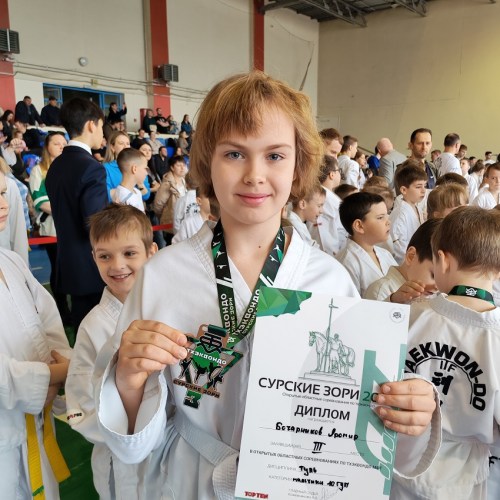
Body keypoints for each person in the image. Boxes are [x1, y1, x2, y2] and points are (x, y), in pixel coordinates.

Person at [94, 71, 439, 500]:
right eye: (234, 154)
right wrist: (128, 379)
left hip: (298, 481)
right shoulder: (162, 275)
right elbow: (134, 442)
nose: (254, 175)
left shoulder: (330, 280)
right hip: (191, 479)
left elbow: (359, 422)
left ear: (298, 166)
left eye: (275, 155)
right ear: (207, 162)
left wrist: (407, 411)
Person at [398, 206, 500, 499]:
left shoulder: (410, 315)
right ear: (497, 270)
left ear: (442, 260)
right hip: (470, 480)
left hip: (401, 458)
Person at [65, 204, 159, 499]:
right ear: (93, 257)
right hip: (121, 463)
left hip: (169, 453)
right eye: (105, 256)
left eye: (129, 253)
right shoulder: (92, 326)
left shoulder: (169, 310)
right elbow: (80, 404)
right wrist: (130, 433)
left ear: (151, 252)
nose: (117, 265)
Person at [0, 168, 72, 500]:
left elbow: (49, 323)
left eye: (3, 193)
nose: (3, 204)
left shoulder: (12, 262)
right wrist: (53, 375)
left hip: (36, 418)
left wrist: (58, 371)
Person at [45, 97, 108, 330]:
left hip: (68, 262)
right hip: (91, 265)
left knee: (83, 330)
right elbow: (95, 223)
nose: (102, 133)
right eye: (101, 126)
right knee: (98, 333)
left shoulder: (56, 166)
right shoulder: (91, 167)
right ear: (92, 124)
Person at [29, 132, 71, 323]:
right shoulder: (38, 170)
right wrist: (66, 211)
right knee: (58, 269)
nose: (61, 146)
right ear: (47, 147)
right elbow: (39, 199)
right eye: (57, 143)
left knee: (70, 267)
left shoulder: (69, 168)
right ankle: (62, 311)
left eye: (64, 143)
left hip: (70, 227)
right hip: (52, 228)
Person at [364, 218, 440, 302]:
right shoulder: (380, 292)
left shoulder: (431, 293)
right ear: (411, 256)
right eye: (434, 275)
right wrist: (393, 301)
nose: (438, 287)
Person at [336, 192, 397, 296]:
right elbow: (351, 302)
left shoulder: (385, 254)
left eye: (387, 215)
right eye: (380, 217)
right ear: (359, 226)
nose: (388, 222)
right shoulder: (346, 263)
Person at [390, 164, 427, 264]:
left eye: (425, 186)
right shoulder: (400, 213)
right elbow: (397, 246)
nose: (423, 190)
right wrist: (415, 260)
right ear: (404, 190)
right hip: (407, 262)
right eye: (418, 187)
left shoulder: (417, 208)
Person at [308, 155, 346, 255]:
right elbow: (323, 238)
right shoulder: (326, 199)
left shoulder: (327, 196)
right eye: (339, 171)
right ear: (332, 174)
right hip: (323, 254)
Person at [153, 154, 187, 244]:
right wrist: (165, 216)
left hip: (184, 223)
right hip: (171, 223)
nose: (182, 168)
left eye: (183, 165)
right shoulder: (167, 184)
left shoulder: (185, 180)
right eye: (179, 165)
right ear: (172, 168)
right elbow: (158, 204)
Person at [288, 182, 325, 247]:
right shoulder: (295, 227)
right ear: (302, 204)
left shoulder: (297, 223)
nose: (322, 211)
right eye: (319, 206)